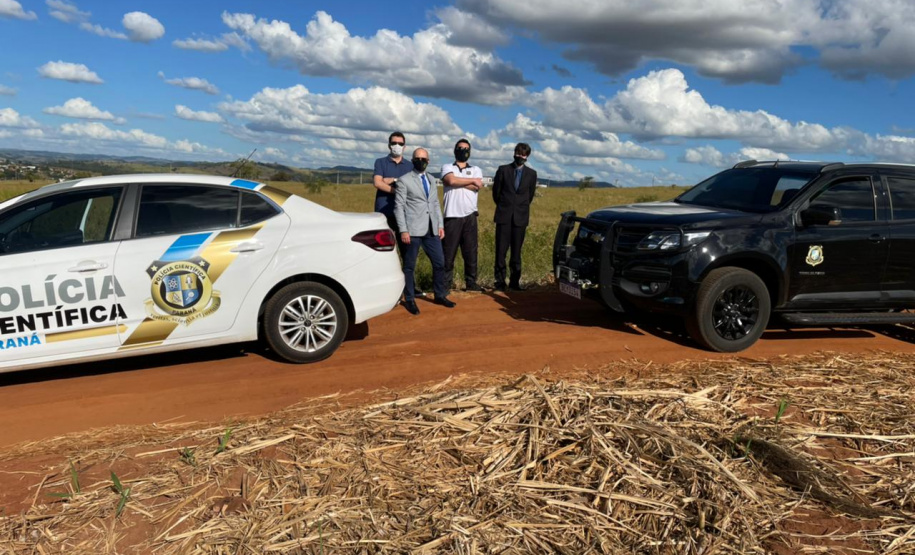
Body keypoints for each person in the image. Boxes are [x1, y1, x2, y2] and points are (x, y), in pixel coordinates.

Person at [394, 148, 455, 315]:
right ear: (413, 160)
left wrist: (440, 225)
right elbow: (398, 207)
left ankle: (440, 295)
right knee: (409, 266)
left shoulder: (431, 179)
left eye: (424, 158)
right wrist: (403, 230)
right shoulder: (404, 180)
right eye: (417, 158)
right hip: (412, 230)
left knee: (439, 263)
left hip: (432, 230)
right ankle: (410, 299)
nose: (421, 161)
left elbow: (435, 204)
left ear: (428, 160)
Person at [373, 131, 424, 296]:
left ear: (405, 146)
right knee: (384, 252)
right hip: (384, 213)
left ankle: (410, 287)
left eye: (400, 144)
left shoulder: (410, 166)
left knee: (406, 252)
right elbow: (377, 183)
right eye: (394, 143)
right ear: (389, 145)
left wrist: (390, 180)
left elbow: (413, 186)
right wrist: (397, 188)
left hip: (404, 215)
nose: (397, 146)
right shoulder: (381, 162)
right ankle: (384, 290)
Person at [492, 142, 537, 291]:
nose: (520, 156)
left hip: (520, 218)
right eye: (518, 153)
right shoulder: (503, 170)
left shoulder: (532, 174)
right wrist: (506, 206)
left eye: (523, 154)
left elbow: (529, 196)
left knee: (516, 253)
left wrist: (519, 208)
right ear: (514, 153)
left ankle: (514, 283)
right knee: (500, 252)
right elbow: (496, 193)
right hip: (504, 216)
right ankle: (499, 282)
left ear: (527, 156)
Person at [440, 138, 483, 291]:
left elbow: (477, 186)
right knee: (448, 252)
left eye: (466, 149)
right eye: (460, 148)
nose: (463, 151)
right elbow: (450, 181)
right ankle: (445, 285)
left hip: (470, 216)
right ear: (455, 150)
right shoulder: (447, 167)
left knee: (470, 252)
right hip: (452, 216)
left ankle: (471, 284)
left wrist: (460, 181)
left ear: (469, 152)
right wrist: (470, 181)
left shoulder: (476, 169)